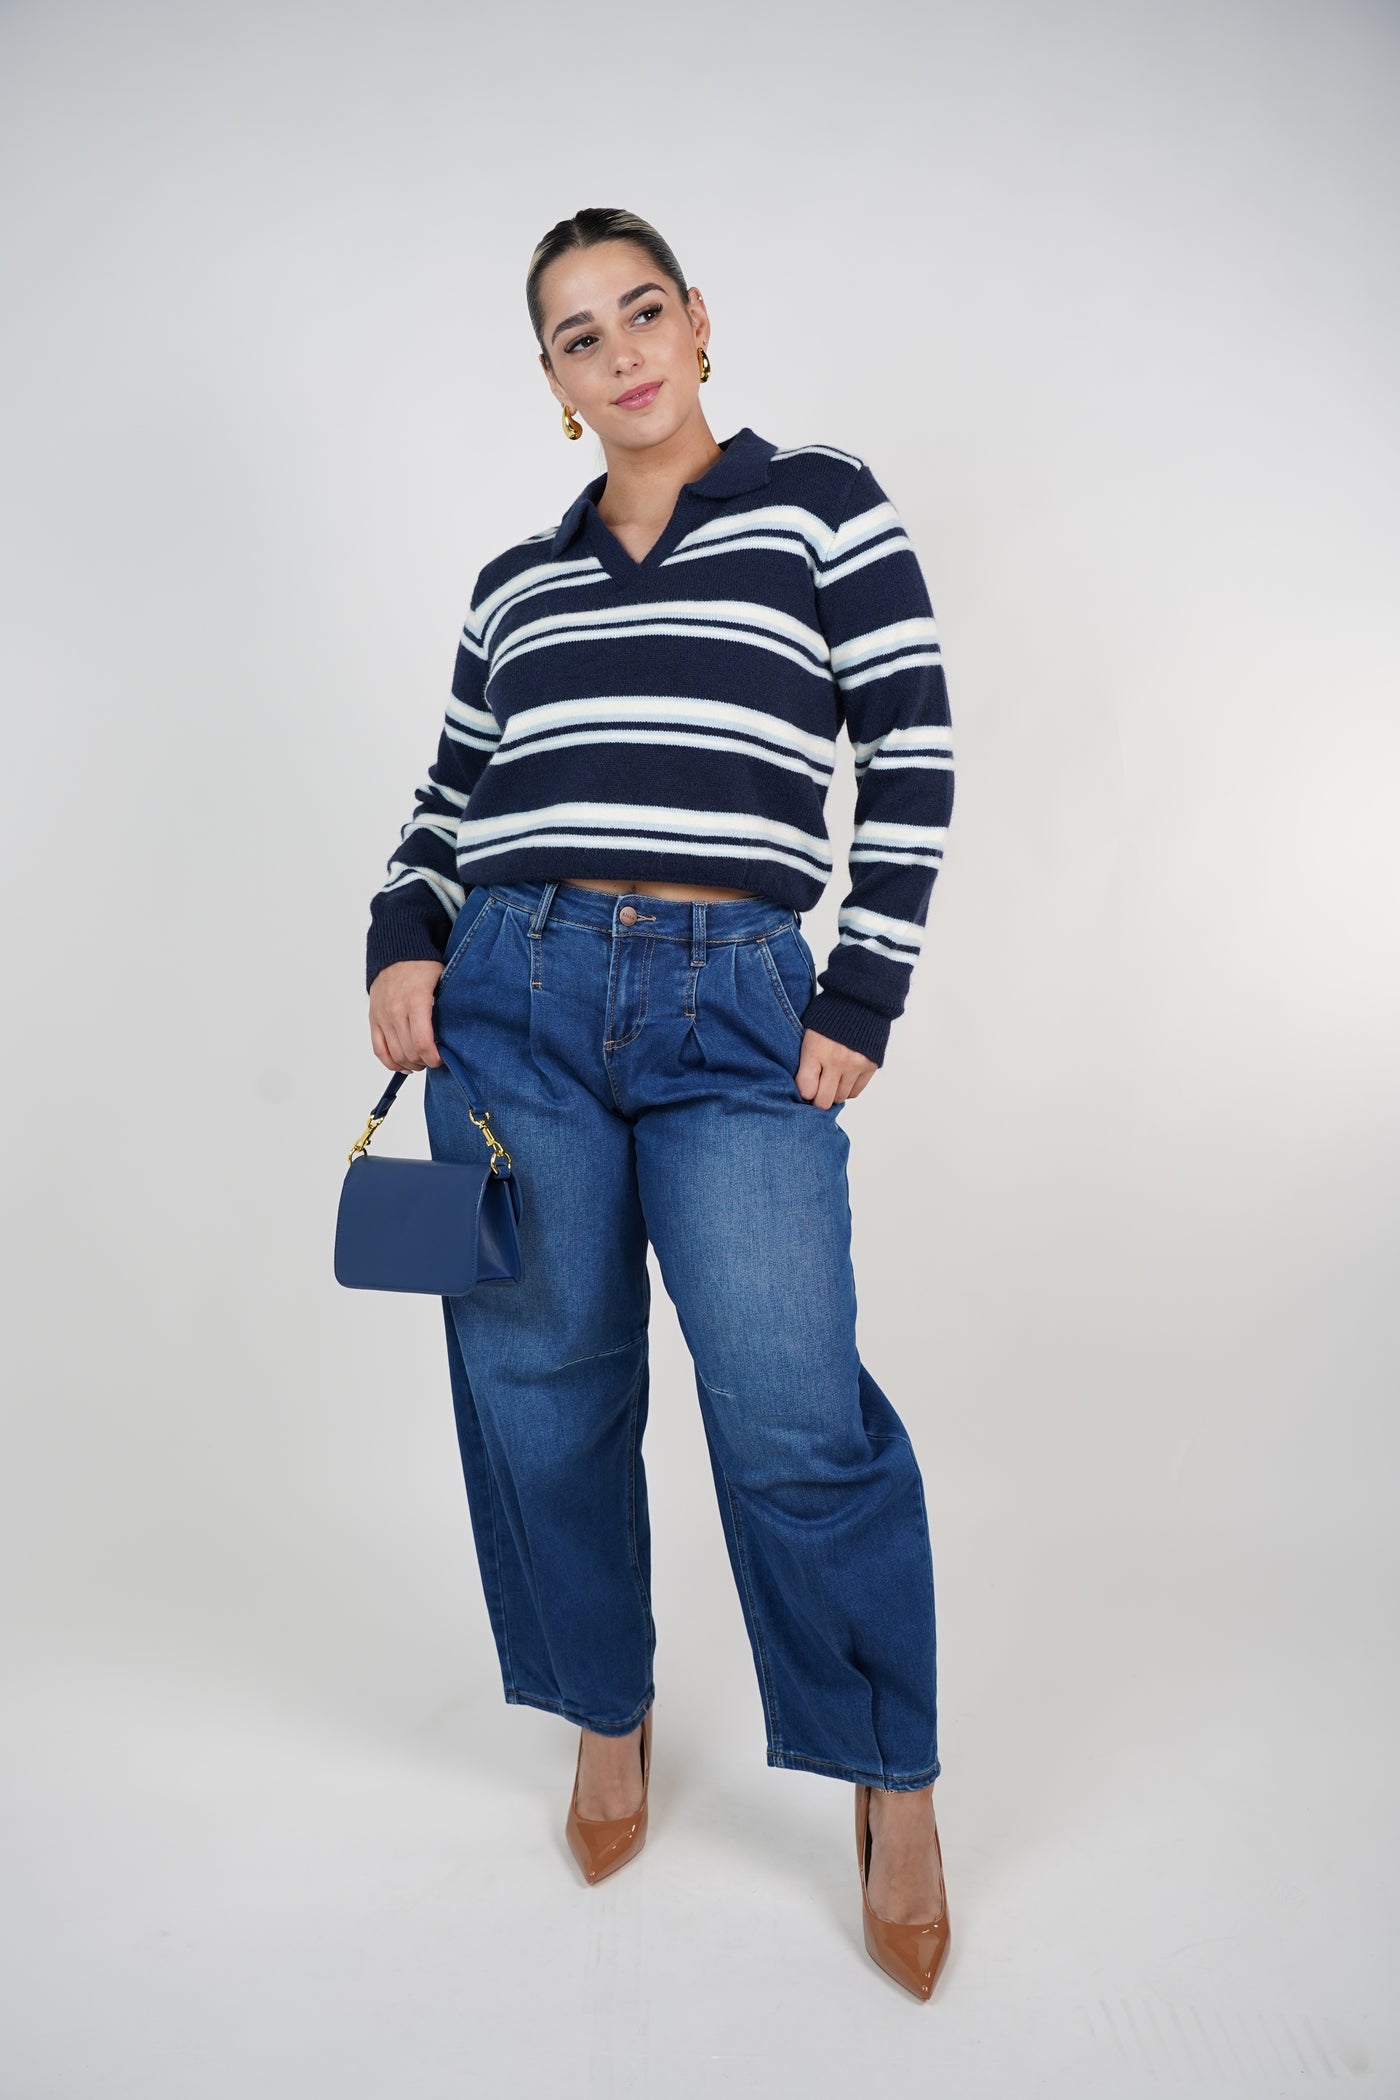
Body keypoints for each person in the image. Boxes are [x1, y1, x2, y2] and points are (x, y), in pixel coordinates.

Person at [363, 207, 956, 2001]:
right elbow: (449, 796)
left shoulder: (819, 508)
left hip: (738, 1007)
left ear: (698, 322)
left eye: (640, 312)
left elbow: (913, 745)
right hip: (512, 997)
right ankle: (603, 1710)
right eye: (577, 335)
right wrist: (402, 938)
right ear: (551, 380)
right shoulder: (514, 585)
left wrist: (862, 988)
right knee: (538, 1390)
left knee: (793, 1408)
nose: (618, 352)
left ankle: (893, 1772)